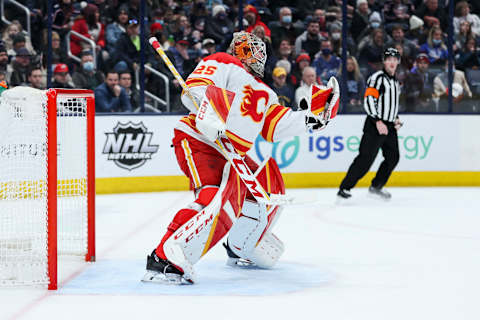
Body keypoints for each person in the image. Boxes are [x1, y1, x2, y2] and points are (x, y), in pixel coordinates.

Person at [143, 31, 339, 284]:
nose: (260, 54)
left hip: (231, 153)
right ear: (242, 50)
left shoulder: (266, 93)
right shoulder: (224, 61)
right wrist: (209, 112)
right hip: (200, 140)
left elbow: (276, 127)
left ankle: (241, 247)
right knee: (212, 198)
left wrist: (313, 118)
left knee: (269, 187)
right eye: (254, 48)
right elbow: (194, 90)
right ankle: (163, 259)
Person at [338, 48, 402, 200]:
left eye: (394, 59)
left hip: (390, 126)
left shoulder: (395, 81)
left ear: (398, 62)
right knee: (366, 158)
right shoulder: (377, 78)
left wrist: (395, 118)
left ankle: (376, 186)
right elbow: (369, 100)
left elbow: (391, 103)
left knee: (393, 157)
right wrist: (377, 121)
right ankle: (344, 188)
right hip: (375, 125)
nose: (392, 62)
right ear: (384, 61)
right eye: (389, 59)